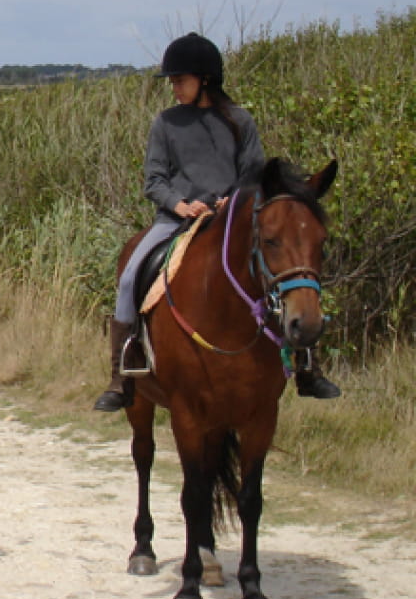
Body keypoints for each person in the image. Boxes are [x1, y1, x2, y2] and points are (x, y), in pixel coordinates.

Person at [94, 32, 340, 412]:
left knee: (286, 271)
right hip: (175, 221)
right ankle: (123, 372)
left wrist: (234, 200)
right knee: (130, 277)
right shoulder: (166, 123)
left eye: (179, 80)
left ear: (204, 79)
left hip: (230, 223)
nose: (173, 87)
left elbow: (255, 175)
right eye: (173, 81)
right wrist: (182, 205)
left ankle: (307, 364)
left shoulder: (241, 121)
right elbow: (154, 181)